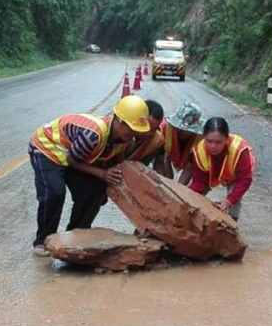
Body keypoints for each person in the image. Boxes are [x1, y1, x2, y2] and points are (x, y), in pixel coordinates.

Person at [28, 95, 150, 256]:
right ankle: (42, 241)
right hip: (48, 149)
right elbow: (72, 160)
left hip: (72, 154)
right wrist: (102, 173)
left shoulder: (122, 139)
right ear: (119, 121)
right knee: (54, 192)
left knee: (95, 189)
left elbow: (109, 161)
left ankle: (76, 236)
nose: (134, 133)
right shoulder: (94, 135)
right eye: (131, 128)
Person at [189, 117, 255, 222]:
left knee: (235, 203)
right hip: (212, 173)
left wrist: (229, 200)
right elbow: (199, 182)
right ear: (204, 137)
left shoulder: (239, 150)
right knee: (192, 196)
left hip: (235, 176)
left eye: (218, 142)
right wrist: (190, 197)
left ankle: (233, 227)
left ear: (226, 138)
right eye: (209, 141)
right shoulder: (200, 150)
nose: (213, 146)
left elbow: (245, 179)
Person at [153, 102, 205, 185]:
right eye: (180, 129)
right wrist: (163, 183)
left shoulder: (201, 139)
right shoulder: (163, 131)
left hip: (187, 159)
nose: (183, 132)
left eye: (187, 131)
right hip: (165, 155)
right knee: (164, 179)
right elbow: (160, 160)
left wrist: (178, 188)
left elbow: (189, 167)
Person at [125, 99, 165, 165]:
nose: (151, 134)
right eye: (148, 128)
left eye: (154, 130)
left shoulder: (156, 141)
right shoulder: (121, 130)